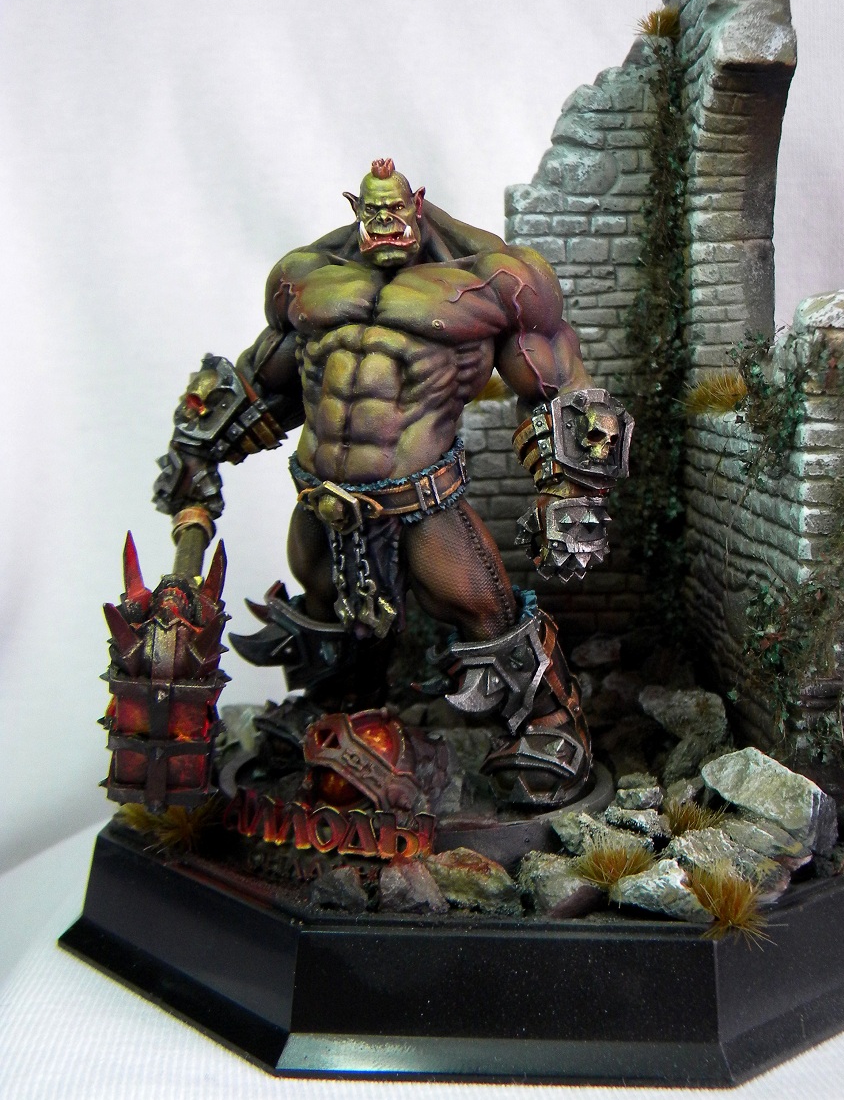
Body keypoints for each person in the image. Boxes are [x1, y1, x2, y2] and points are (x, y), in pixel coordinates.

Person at [154, 159, 632, 807]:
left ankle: (550, 730)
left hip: (422, 504)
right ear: (356, 209)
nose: (385, 222)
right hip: (322, 503)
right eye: (372, 211)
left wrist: (569, 491)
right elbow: (269, 383)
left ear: (418, 204)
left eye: (396, 209)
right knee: (325, 610)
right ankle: (340, 718)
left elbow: (559, 386)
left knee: (485, 612)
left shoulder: (494, 283)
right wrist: (200, 442)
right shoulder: (308, 279)